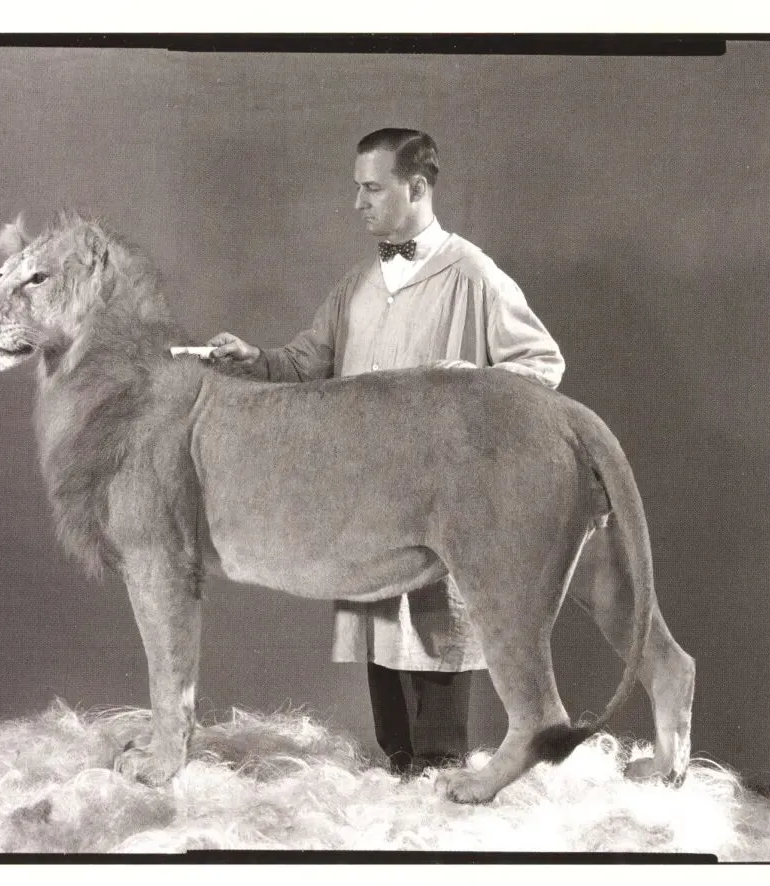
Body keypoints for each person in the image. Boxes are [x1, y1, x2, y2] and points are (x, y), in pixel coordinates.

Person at [207, 128, 565, 776]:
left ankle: (438, 787)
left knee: (439, 645)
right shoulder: (357, 284)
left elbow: (542, 365)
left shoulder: (472, 274)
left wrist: (470, 382)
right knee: (383, 659)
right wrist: (253, 358)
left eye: (371, 188)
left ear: (417, 187)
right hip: (366, 506)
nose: (358, 203)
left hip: (442, 504)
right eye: (358, 188)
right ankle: (399, 786)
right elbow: (305, 363)